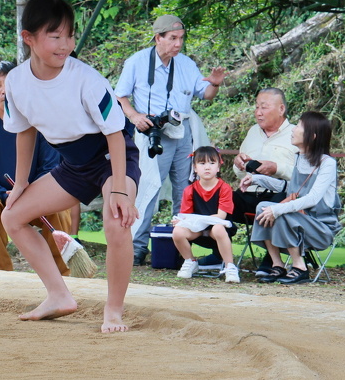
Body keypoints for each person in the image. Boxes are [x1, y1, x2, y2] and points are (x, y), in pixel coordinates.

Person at [1, 0, 141, 333]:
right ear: (28, 38)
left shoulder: (87, 79)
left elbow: (115, 133)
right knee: (12, 216)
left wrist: (119, 190)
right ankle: (58, 295)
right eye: (55, 36)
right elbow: (24, 132)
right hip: (73, 166)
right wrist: (21, 184)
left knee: (116, 220)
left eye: (70, 35)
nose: (65, 45)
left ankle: (113, 310)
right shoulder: (16, 82)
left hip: (112, 159)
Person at [114, 14, 226, 267]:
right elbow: (120, 96)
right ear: (158, 38)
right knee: (147, 187)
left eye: (181, 38)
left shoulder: (186, 64)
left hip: (182, 131)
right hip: (152, 131)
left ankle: (179, 248)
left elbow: (206, 94)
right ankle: (137, 247)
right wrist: (135, 116)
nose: (178, 44)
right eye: (173, 38)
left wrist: (216, 85)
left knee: (184, 189)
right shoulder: (137, 62)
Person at [0, 60, 72, 274]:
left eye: (10, 83)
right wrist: (3, 194)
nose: (4, 91)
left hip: (33, 197)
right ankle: (2, 273)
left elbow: (50, 168)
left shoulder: (39, 122)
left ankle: (61, 276)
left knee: (59, 207)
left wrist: (25, 194)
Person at [248, 112, 340, 284]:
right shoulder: (299, 158)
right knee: (262, 207)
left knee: (282, 212)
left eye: (298, 126)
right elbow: (290, 188)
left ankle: (300, 267)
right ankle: (277, 265)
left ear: (312, 136)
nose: (293, 129)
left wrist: (277, 209)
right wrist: (257, 179)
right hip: (299, 221)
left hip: (320, 227)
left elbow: (312, 198)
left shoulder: (327, 163)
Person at [219, 87, 298, 275]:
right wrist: (239, 164)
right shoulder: (253, 132)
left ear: (281, 109)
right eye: (256, 107)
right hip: (249, 192)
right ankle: (219, 253)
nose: (258, 112)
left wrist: (276, 168)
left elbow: (304, 175)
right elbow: (240, 174)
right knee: (218, 197)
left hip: (280, 194)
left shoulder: (296, 133)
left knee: (273, 204)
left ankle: (272, 261)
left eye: (264, 107)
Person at [171, 146, 239, 282]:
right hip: (197, 230)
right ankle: (190, 261)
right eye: (202, 163)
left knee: (218, 228)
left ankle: (230, 267)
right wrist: (181, 222)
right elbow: (186, 216)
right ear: (195, 168)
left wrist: (195, 221)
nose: (207, 167)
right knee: (177, 231)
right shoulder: (189, 190)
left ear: (218, 167)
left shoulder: (224, 188)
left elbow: (221, 217)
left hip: (218, 229)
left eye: (212, 163)